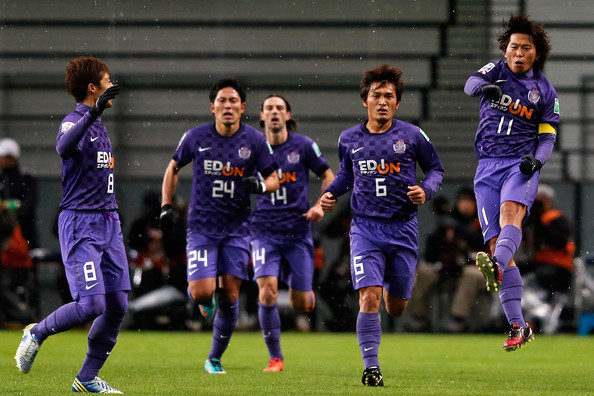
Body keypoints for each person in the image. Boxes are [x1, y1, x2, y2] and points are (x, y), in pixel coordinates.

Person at [320, 65, 444, 386]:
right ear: (365, 101)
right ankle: (371, 368)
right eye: (377, 95)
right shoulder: (349, 138)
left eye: (390, 96)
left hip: (402, 228)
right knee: (369, 298)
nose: (383, 101)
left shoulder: (412, 135)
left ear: (398, 103)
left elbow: (435, 170)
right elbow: (347, 173)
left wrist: (425, 190)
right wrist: (332, 192)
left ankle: (393, 286)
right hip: (365, 229)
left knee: (397, 307)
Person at [15, 56, 128, 393]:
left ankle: (87, 378)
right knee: (91, 305)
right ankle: (36, 332)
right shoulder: (75, 120)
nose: (112, 84)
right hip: (81, 222)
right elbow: (63, 147)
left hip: (109, 221)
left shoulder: (99, 124)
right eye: (107, 79)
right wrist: (93, 111)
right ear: (93, 88)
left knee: (118, 305)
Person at [160, 78, 279, 375]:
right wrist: (166, 204)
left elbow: (276, 178)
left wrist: (262, 185)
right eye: (222, 101)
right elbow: (173, 167)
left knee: (230, 294)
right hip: (202, 228)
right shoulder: (196, 137)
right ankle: (204, 301)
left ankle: (214, 358)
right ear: (212, 107)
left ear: (243, 108)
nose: (228, 106)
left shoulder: (254, 141)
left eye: (233, 101)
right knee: (202, 293)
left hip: (238, 230)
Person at [465, 14, 560, 351]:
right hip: (486, 167)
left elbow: (548, 135)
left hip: (519, 166)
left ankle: (496, 266)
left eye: (526, 48)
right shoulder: (495, 70)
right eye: (513, 47)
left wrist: (539, 159)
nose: (518, 53)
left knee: (511, 214)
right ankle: (519, 327)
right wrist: (485, 87)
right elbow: (470, 84)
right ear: (506, 51)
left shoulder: (545, 91)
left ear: (536, 54)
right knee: (497, 248)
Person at [249, 94, 335, 372]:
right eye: (269, 108)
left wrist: (320, 206)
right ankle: (276, 358)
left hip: (298, 232)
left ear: (288, 115)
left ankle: (306, 296)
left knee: (299, 303)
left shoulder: (304, 146)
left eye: (280, 108)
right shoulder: (251, 148)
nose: (274, 112)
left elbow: (329, 176)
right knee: (267, 291)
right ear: (261, 116)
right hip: (263, 231)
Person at [0, 137, 39, 325]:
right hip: (4, 239)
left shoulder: (26, 178)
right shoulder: (2, 179)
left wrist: (11, 207)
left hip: (25, 237)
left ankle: (32, 316)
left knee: (30, 280)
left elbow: (27, 206)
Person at [529, 184, 575, 296]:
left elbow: (559, 241)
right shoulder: (534, 218)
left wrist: (541, 223)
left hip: (557, 264)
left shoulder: (553, 217)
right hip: (541, 263)